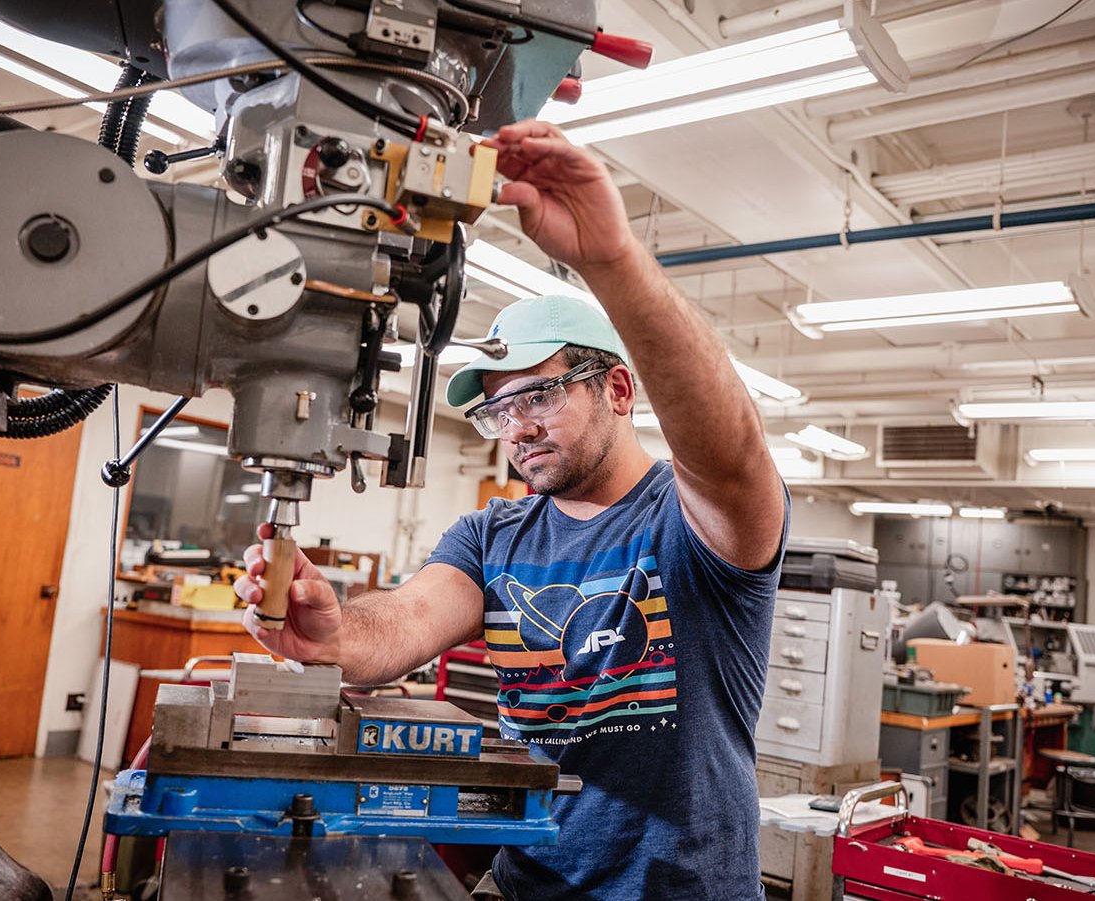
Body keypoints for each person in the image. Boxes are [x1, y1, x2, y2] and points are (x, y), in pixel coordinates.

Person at [235, 120, 789, 901]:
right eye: (499, 411)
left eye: (539, 395)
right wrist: (331, 635)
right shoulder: (493, 534)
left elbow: (730, 453)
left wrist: (612, 260)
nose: (517, 428)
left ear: (617, 389)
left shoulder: (691, 522)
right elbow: (404, 622)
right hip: (529, 880)